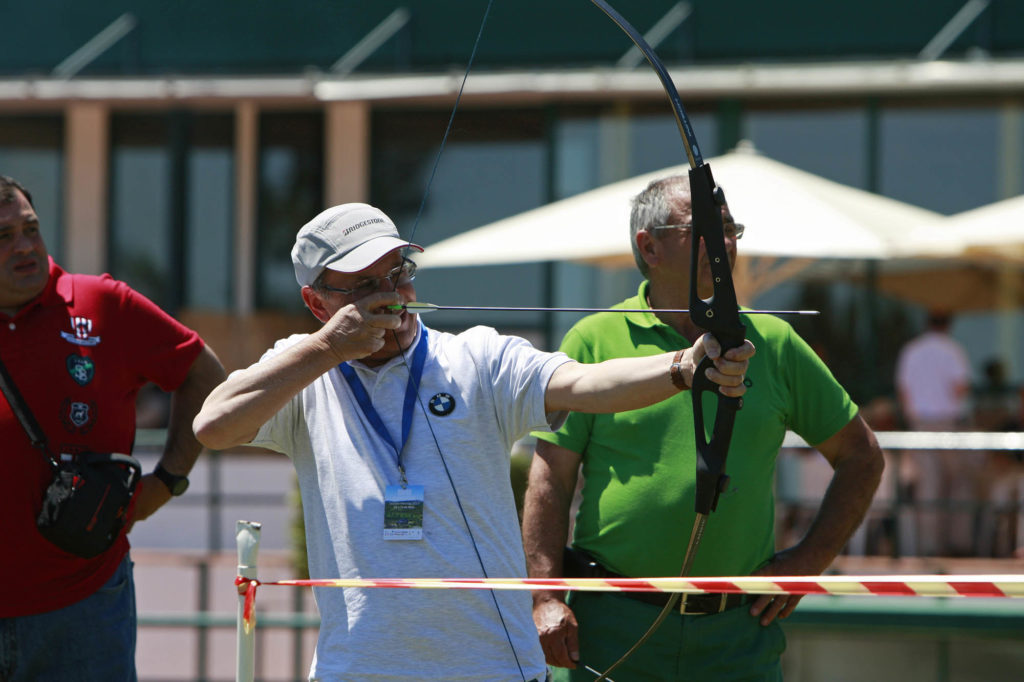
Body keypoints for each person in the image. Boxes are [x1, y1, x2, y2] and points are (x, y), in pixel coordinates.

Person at [192, 202, 755, 682]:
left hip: (491, 664)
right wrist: (327, 349)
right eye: (365, 286)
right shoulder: (303, 371)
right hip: (358, 667)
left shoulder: (477, 356)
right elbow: (212, 427)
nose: (392, 295)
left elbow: (587, 385)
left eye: (398, 274)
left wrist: (686, 366)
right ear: (317, 304)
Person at [522, 174, 885, 681]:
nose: (727, 244)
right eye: (707, 231)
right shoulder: (593, 339)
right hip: (609, 624)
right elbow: (549, 479)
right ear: (649, 247)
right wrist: (544, 598)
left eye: (731, 228)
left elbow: (862, 456)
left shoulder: (774, 342)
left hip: (737, 633)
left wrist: (809, 560)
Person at [0, 175, 225, 681]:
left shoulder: (102, 304)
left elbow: (203, 375)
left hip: (84, 607)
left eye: (31, 229)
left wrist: (167, 481)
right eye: (3, 237)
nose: (24, 247)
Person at [894, 309, 973, 556]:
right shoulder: (953, 350)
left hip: (920, 424)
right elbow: (960, 388)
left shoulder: (911, 351)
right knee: (957, 485)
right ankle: (957, 544)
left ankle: (929, 547)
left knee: (928, 487)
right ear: (948, 325)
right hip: (948, 424)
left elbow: (903, 391)